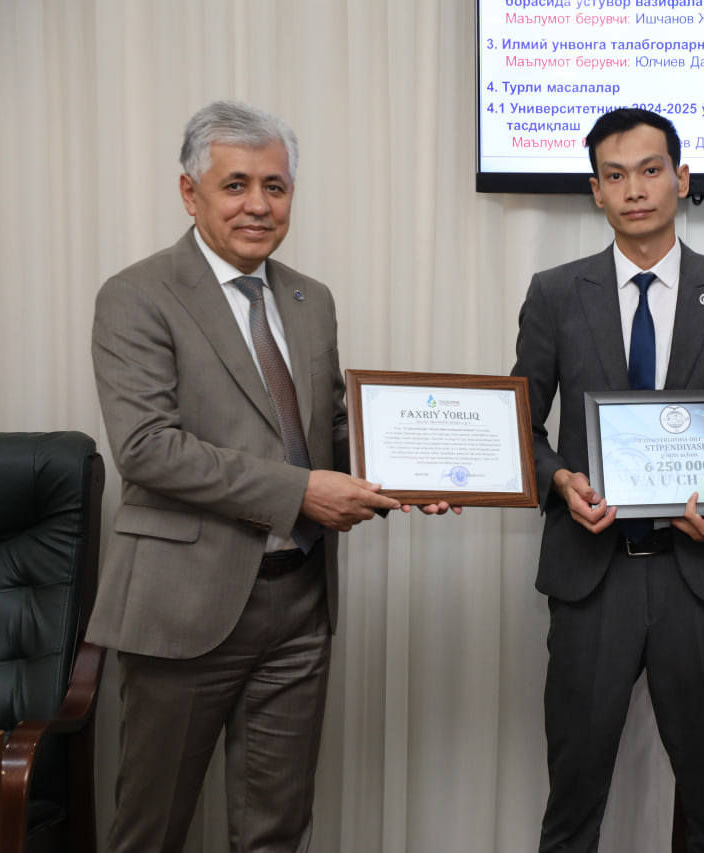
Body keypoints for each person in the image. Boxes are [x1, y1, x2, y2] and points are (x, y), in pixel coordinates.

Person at [89, 100, 453, 853]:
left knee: (276, 831)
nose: (258, 204)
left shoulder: (309, 299)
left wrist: (412, 472)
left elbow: (331, 431)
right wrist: (301, 493)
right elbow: (148, 448)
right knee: (151, 829)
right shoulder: (137, 295)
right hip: (185, 606)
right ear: (190, 193)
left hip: (299, 604)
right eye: (236, 184)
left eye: (276, 186)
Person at [511, 107, 704, 852]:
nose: (634, 189)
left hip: (701, 579)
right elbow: (520, 428)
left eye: (650, 170)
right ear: (596, 191)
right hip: (593, 577)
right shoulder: (555, 293)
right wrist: (560, 479)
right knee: (573, 801)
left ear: (682, 177)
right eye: (615, 175)